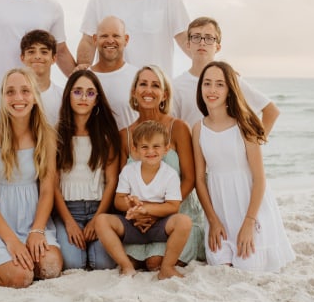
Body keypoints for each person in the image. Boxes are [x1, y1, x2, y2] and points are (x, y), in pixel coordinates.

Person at [192, 61, 295, 271]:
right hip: (219, 212)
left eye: (220, 84)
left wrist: (249, 222)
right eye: (207, 83)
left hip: (251, 209)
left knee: (248, 265)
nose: (212, 90)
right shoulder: (198, 129)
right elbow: (200, 179)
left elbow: (259, 178)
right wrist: (213, 221)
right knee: (220, 263)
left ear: (230, 89)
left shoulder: (244, 126)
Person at [0, 68, 62, 288]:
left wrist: (37, 231)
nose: (18, 98)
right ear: (2, 97)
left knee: (50, 268)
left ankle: (21, 255)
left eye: (25, 91)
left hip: (33, 219)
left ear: (35, 98)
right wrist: (11, 241)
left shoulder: (46, 136)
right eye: (10, 92)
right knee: (21, 277)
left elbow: (48, 190)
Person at [119, 65, 205, 270]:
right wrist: (140, 213)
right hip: (141, 219)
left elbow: (190, 179)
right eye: (143, 84)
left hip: (177, 213)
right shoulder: (125, 135)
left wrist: (158, 212)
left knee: (155, 262)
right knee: (133, 261)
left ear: (164, 94)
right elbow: (121, 186)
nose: (148, 90)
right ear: (134, 91)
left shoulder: (178, 128)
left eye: (155, 85)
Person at [95, 121, 192, 279]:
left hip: (160, 224)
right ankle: (126, 267)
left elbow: (173, 206)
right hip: (133, 223)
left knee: (184, 222)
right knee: (101, 221)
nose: (150, 151)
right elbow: (118, 200)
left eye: (156, 146)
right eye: (144, 147)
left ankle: (167, 268)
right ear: (135, 150)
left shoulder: (170, 174)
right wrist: (132, 206)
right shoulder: (129, 171)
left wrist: (146, 210)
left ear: (166, 149)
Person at [53, 70, 120, 270]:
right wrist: (69, 222)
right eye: (78, 92)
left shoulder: (106, 134)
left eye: (90, 93)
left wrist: (98, 219)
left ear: (97, 100)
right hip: (68, 210)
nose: (83, 98)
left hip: (98, 208)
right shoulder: (56, 133)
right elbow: (53, 184)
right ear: (68, 95)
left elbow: (111, 182)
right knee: (74, 263)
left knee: (103, 263)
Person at [172, 17, 280, 134]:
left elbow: (271, 111)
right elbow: (172, 128)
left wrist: (255, 144)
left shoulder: (230, 79)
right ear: (188, 44)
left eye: (209, 38)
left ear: (217, 47)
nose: (202, 42)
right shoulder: (176, 86)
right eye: (196, 37)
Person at [89, 16, 138, 130]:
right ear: (95, 39)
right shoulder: (84, 79)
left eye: (116, 35)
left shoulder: (138, 77)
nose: (110, 40)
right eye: (104, 36)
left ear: (126, 39)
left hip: (129, 147)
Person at [20, 29, 63, 127]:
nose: (38, 56)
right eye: (31, 52)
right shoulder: (9, 97)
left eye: (44, 52)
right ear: (22, 57)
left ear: (54, 58)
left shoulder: (63, 97)